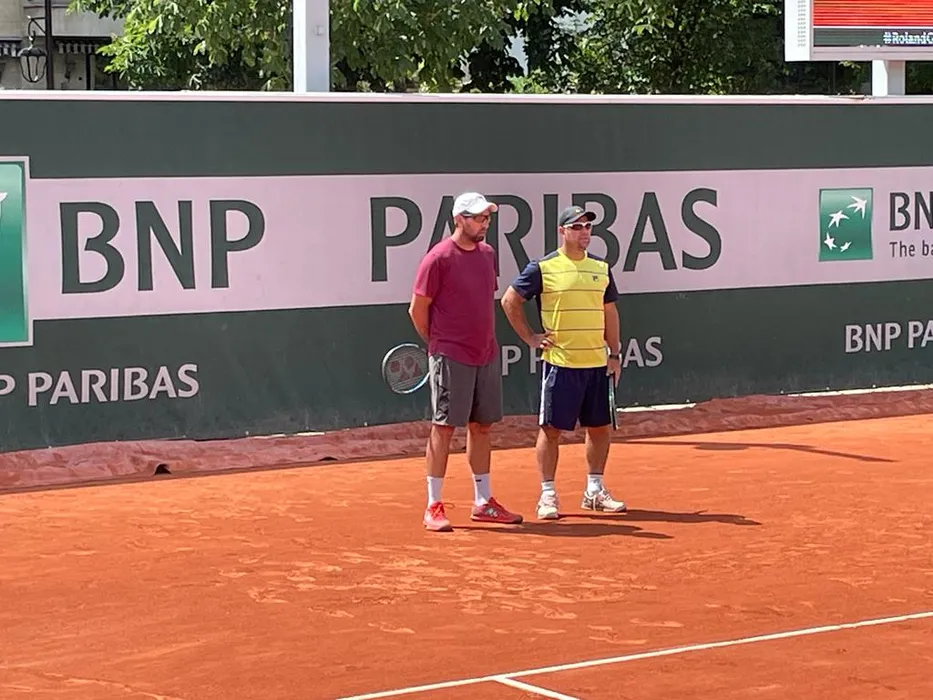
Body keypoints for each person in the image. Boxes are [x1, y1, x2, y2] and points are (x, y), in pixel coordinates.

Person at [500, 204, 626, 520]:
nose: (584, 232)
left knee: (600, 428)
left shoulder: (601, 268)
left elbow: (609, 312)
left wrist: (614, 354)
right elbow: (510, 300)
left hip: (596, 364)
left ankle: (594, 491)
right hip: (560, 364)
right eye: (576, 227)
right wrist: (530, 337)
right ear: (562, 231)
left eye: (587, 226)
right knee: (551, 430)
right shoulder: (542, 268)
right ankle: (547, 495)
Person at [409, 192, 524, 532]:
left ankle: (483, 502)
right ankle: (433, 505)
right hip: (450, 355)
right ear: (459, 219)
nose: (484, 223)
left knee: (482, 427)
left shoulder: (488, 254)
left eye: (487, 217)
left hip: (485, 354)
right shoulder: (438, 258)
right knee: (444, 428)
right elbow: (417, 309)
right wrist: (438, 344)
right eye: (477, 218)